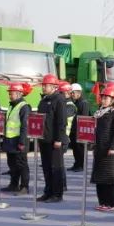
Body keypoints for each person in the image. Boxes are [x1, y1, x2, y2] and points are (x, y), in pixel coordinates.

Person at [91, 84, 114, 211]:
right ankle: (103, 202)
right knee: (100, 178)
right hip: (100, 149)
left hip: (111, 151)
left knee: (110, 178)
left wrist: (113, 147)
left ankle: (112, 204)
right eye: (103, 97)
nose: (103, 100)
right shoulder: (98, 113)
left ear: (113, 100)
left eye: (106, 98)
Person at [35, 74, 68, 203]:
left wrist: (59, 139)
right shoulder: (43, 100)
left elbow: (61, 121)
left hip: (55, 141)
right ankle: (48, 192)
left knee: (56, 168)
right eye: (43, 85)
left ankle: (57, 194)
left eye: (46, 85)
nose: (44, 87)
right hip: (44, 139)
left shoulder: (59, 99)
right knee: (46, 167)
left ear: (54, 87)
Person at [1, 83, 32, 195]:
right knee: (12, 164)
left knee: (21, 164)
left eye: (12, 93)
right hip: (10, 140)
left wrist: (22, 142)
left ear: (19, 94)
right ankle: (13, 184)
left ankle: (24, 187)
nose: (10, 95)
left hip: (19, 140)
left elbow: (25, 126)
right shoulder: (11, 105)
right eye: (9, 93)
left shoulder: (24, 106)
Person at [69, 83, 89, 172]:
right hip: (74, 129)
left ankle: (81, 165)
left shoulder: (84, 103)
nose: (72, 95)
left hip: (80, 130)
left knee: (80, 149)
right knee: (75, 148)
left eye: (73, 93)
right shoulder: (76, 102)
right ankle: (77, 164)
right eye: (71, 93)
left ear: (79, 93)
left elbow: (84, 118)